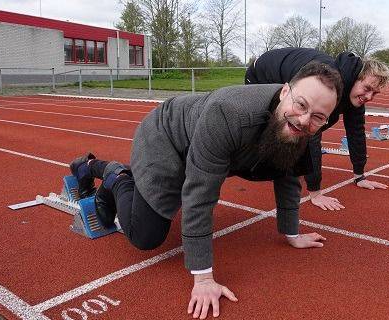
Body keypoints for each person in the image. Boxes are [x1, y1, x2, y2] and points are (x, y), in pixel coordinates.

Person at [68, 62, 343, 319]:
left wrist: (291, 232)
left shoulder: (308, 124)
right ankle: (114, 175)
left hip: (202, 143)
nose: (305, 120)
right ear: (285, 91)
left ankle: (122, 177)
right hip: (165, 137)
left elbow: (288, 171)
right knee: (146, 236)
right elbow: (200, 194)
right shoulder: (227, 113)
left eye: (318, 117)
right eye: (301, 105)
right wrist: (203, 278)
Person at [246, 47, 389, 211]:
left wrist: (360, 176)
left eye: (375, 93)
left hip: (287, 67)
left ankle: (279, 164)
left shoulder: (354, 94)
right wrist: (315, 192)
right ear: (355, 78)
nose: (368, 97)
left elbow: (356, 132)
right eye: (367, 88)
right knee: (278, 121)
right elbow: (311, 136)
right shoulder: (326, 83)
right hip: (262, 73)